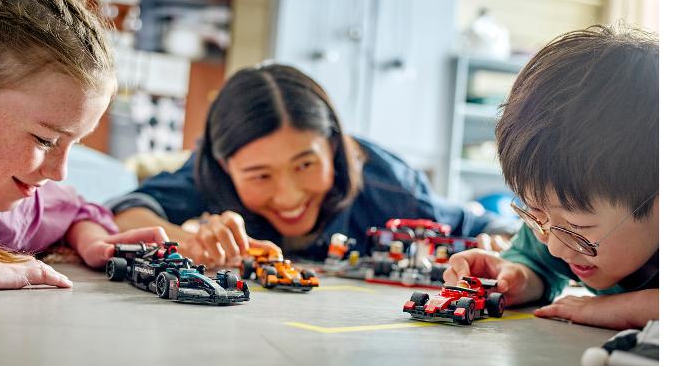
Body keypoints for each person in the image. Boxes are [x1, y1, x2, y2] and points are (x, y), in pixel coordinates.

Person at [111, 64, 515, 268]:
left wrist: (501, 243)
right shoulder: (209, 176)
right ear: (225, 167)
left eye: (305, 164)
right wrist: (189, 240)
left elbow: (479, 226)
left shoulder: (387, 183)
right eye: (260, 176)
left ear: (334, 147)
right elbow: (127, 213)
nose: (288, 196)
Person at [0, 0, 167, 290]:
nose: (60, 172)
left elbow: (72, 210)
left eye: (76, 142)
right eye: (45, 140)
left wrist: (91, 240)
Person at [444, 24, 658, 330]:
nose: (555, 247)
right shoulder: (556, 228)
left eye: (578, 228)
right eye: (536, 213)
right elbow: (541, 264)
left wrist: (626, 308)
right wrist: (518, 277)